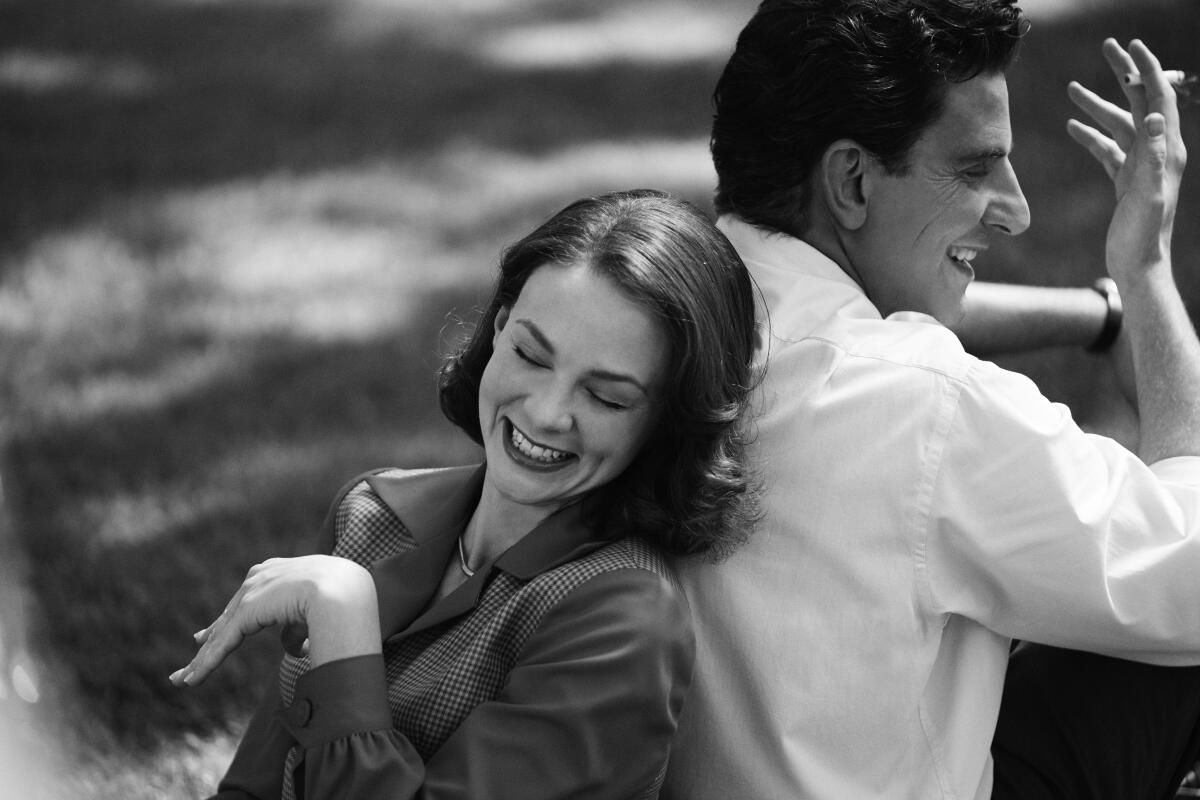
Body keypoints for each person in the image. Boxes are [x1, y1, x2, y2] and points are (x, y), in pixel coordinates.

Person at [662, 2, 1200, 799]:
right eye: (977, 169)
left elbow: (870, 316)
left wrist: (1100, 316)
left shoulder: (661, 310)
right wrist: (1146, 273)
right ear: (850, 181)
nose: (1016, 211)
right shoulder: (928, 405)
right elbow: (1186, 579)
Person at [170, 189, 759, 799]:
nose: (548, 412)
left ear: (666, 422)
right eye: (531, 354)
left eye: (606, 397)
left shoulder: (622, 622)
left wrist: (344, 625)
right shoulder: (372, 512)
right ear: (500, 329)